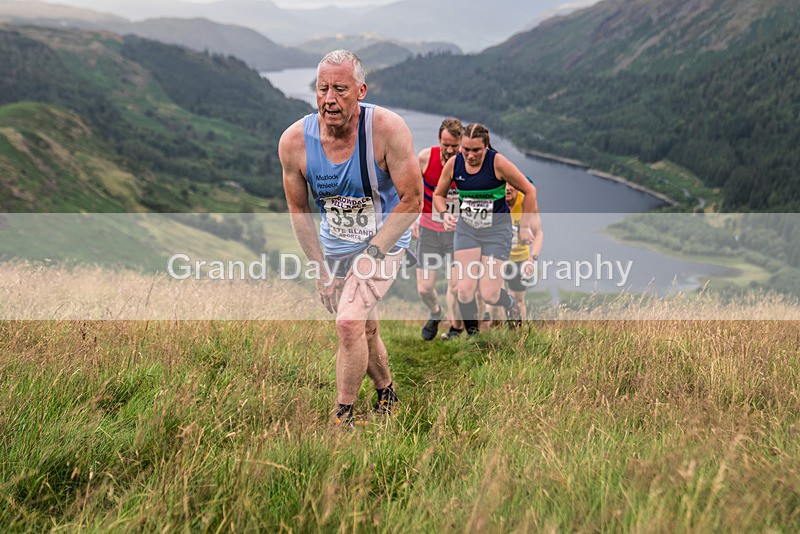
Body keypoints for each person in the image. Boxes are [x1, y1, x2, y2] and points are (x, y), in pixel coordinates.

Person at [278, 50, 422, 427]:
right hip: (336, 247)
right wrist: (320, 269)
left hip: (384, 241)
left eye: (340, 89)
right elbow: (299, 210)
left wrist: (373, 252)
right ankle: (387, 391)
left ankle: (343, 417)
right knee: (364, 327)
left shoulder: (387, 130)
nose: (329, 99)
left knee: (347, 323)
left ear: (360, 90)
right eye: (322, 89)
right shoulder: (295, 142)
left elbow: (413, 200)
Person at [433, 123, 537, 335]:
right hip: (467, 230)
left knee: (489, 294)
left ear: (486, 146)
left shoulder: (497, 163)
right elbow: (438, 195)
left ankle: (510, 305)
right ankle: (474, 337)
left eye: (476, 150)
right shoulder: (454, 164)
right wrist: (445, 214)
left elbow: (530, 190)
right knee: (464, 291)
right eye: (465, 149)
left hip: (496, 232)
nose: (470, 155)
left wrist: (525, 227)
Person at [412, 118, 465, 340]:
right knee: (424, 288)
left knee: (455, 286)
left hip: (457, 233)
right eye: (446, 144)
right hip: (429, 229)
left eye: (455, 145)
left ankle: (455, 328)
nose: (450, 150)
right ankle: (435, 313)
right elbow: (411, 191)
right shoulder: (425, 158)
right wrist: (413, 220)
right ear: (439, 140)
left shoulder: (468, 163)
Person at [491, 181, 544, 322]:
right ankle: (498, 335)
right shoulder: (495, 201)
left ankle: (519, 333)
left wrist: (532, 259)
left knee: (519, 300)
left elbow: (538, 233)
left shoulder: (526, 202)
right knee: (495, 296)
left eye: (511, 185)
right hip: (498, 257)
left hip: (520, 258)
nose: (507, 189)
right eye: (504, 185)